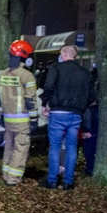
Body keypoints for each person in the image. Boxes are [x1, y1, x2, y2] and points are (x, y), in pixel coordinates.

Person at [39, 45, 94, 190]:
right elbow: (92, 96)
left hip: (58, 112)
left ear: (64, 54)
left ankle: (52, 180)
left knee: (55, 147)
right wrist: (80, 106)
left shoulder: (56, 68)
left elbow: (49, 86)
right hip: (76, 114)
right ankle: (68, 181)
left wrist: (45, 103)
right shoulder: (85, 73)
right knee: (71, 148)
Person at [0, 40, 39, 186]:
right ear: (25, 57)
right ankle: (13, 180)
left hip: (8, 120)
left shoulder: (3, 75)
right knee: (20, 149)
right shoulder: (27, 76)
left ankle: (6, 175)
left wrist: (2, 116)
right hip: (22, 122)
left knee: (9, 147)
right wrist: (34, 120)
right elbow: (30, 100)